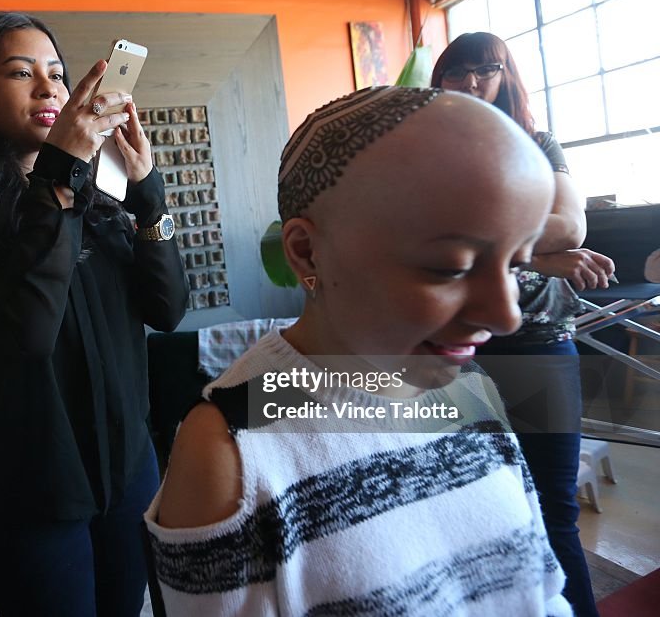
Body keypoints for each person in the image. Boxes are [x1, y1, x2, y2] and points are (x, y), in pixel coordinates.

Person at [145, 86, 572, 615]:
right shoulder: (233, 450)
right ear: (306, 252)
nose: (506, 316)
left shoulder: (468, 390)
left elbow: (541, 592)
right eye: (450, 268)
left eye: (515, 264)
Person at [0, 12, 188, 617]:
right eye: (20, 72)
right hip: (30, 483)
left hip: (129, 473)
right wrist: (59, 177)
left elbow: (167, 310)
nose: (48, 88)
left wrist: (146, 195)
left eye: (57, 74)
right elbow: (29, 331)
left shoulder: (99, 202)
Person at [432, 31, 614, 617]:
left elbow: (570, 229)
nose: (469, 83)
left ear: (506, 77)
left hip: (538, 344)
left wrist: (520, 251)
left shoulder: (538, 143)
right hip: (456, 351)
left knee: (554, 511)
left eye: (483, 70)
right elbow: (429, 244)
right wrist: (535, 253)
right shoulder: (426, 159)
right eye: (455, 73)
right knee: (476, 508)